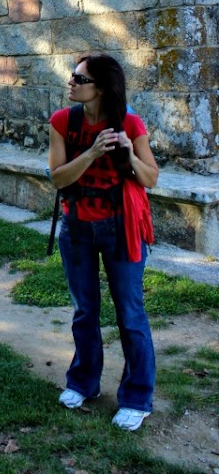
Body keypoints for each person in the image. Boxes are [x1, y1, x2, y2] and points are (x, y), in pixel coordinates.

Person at [48, 53, 159, 432]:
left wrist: (127, 152)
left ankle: (137, 396)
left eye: (79, 79)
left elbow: (150, 178)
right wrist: (92, 152)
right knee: (85, 311)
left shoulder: (129, 123)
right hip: (77, 228)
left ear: (101, 88)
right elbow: (59, 178)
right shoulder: (63, 122)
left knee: (130, 314)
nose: (72, 83)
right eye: (73, 77)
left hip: (120, 227)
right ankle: (83, 382)